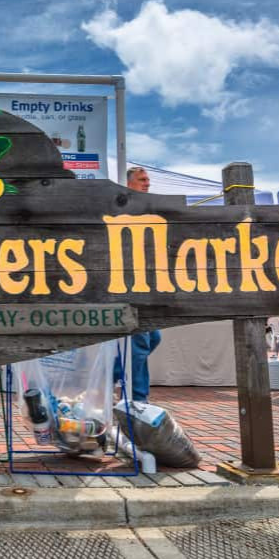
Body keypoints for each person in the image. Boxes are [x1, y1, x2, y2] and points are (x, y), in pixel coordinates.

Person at [126, 165, 159, 403]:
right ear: (129, 183)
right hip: (128, 283)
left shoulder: (147, 208)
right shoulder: (124, 206)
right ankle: (139, 399)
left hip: (145, 285)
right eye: (142, 179)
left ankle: (111, 376)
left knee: (153, 338)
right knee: (140, 342)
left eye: (147, 179)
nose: (147, 183)